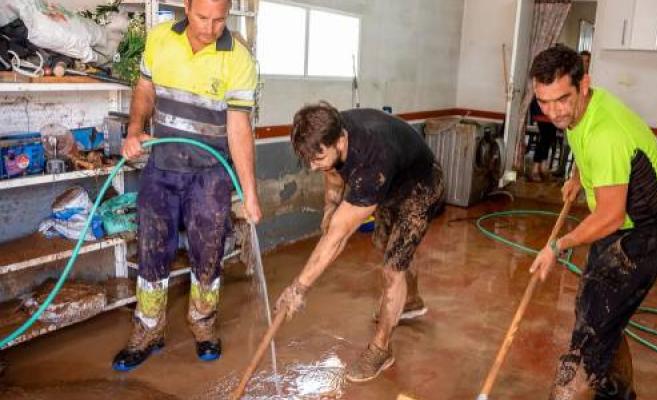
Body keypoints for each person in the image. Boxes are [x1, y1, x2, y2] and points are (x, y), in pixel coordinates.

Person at [528, 45, 657, 399]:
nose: (553, 112)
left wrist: (557, 245)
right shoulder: (579, 113)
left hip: (651, 228)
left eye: (561, 100)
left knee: (593, 328)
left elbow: (610, 215)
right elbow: (582, 142)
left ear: (584, 84)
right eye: (544, 101)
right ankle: (621, 392)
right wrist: (578, 176)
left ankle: (605, 391)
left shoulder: (607, 132)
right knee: (596, 308)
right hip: (619, 220)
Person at [113, 0, 262, 371]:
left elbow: (239, 127)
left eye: (219, 20)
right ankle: (148, 330)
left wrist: (250, 193)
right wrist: (134, 130)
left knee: (208, 253)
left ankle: (203, 324)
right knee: (151, 251)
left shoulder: (240, 59)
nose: (209, 29)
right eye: (201, 17)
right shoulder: (160, 39)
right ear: (187, 7)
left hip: (210, 173)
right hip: (160, 167)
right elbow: (145, 89)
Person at [276, 103, 444, 383]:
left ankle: (381, 348)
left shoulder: (371, 158)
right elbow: (332, 171)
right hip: (391, 184)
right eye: (308, 160)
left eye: (317, 158)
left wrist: (299, 287)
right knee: (387, 247)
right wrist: (330, 207)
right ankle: (411, 300)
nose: (311, 165)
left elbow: (339, 237)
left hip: (420, 188)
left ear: (340, 141)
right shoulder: (331, 131)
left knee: (392, 268)